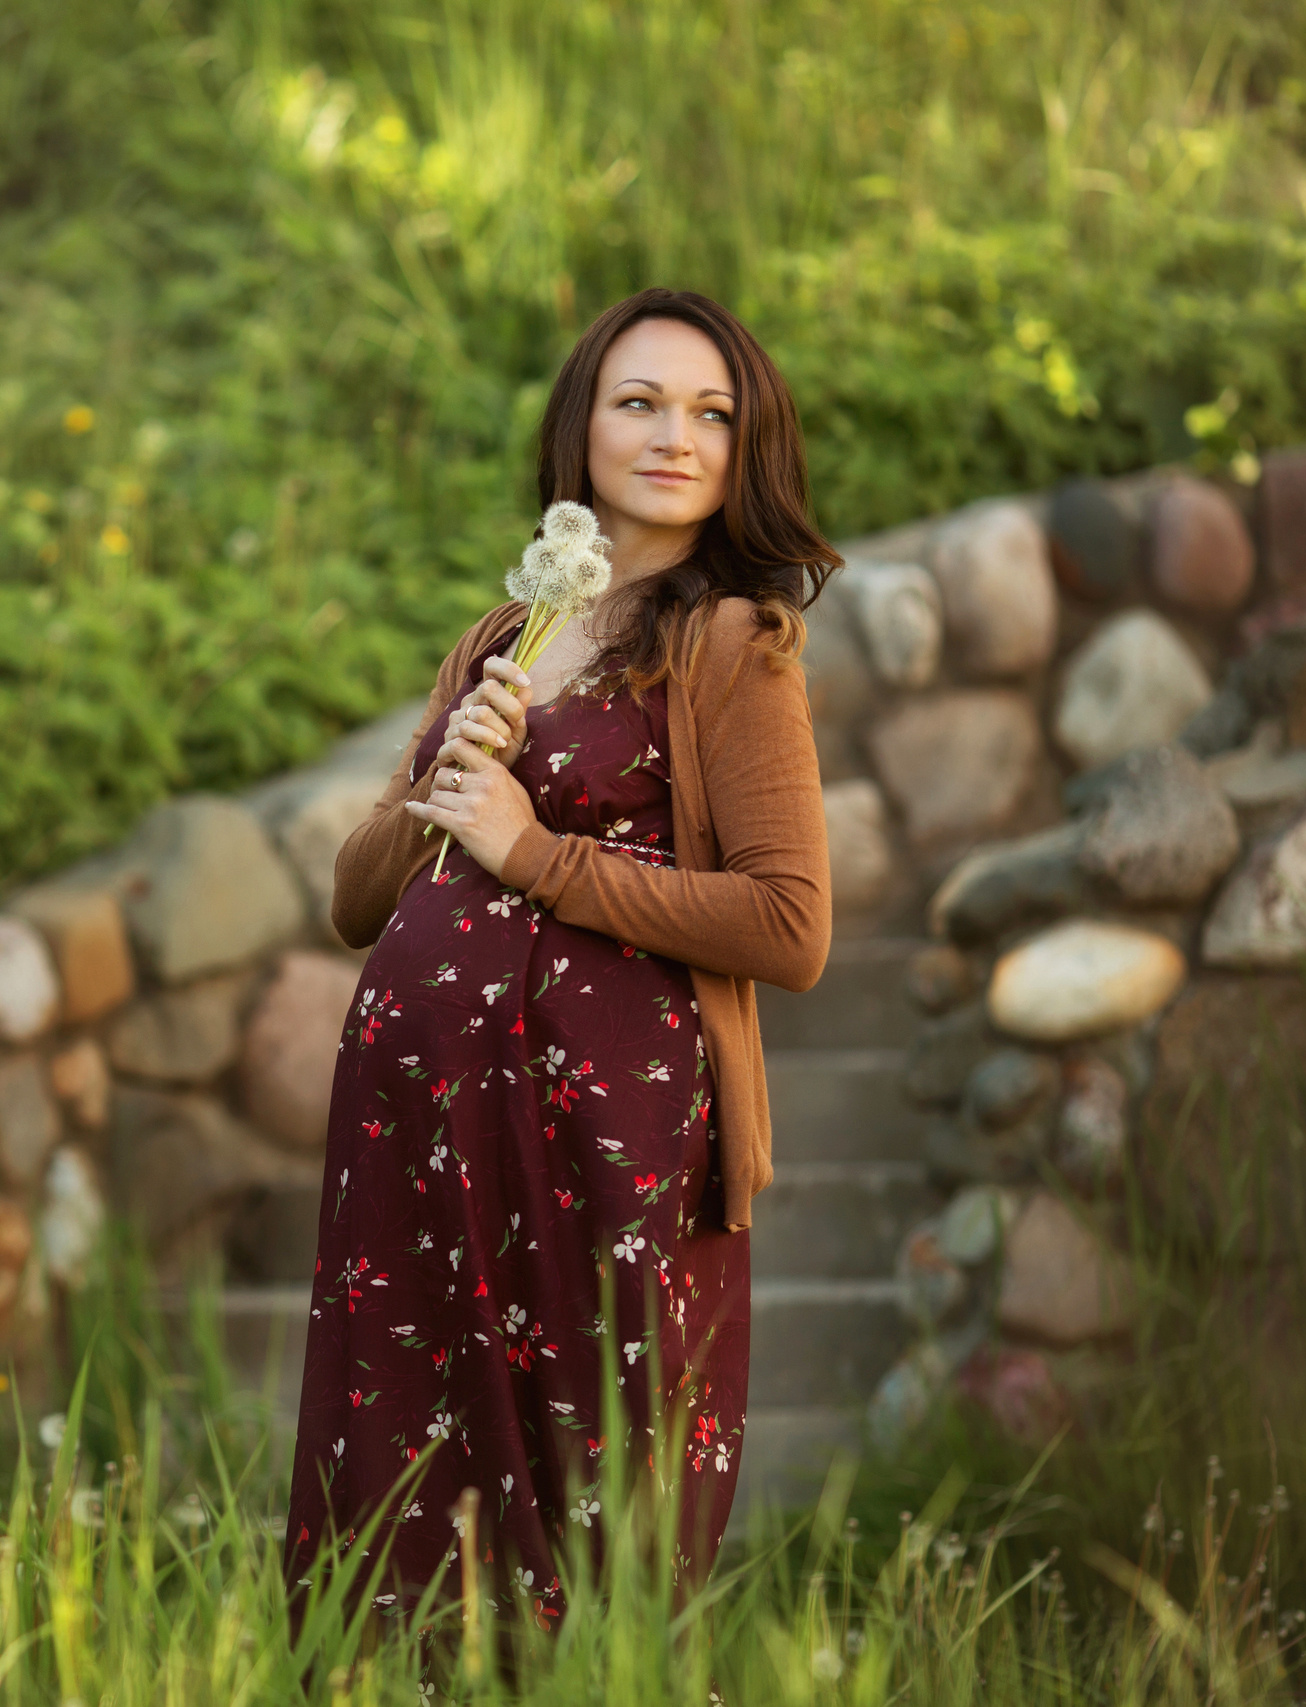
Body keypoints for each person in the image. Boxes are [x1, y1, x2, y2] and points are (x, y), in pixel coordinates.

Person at [283, 287, 839, 1630]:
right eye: (639, 401)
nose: (676, 435)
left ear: (745, 447)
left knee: (591, 1530)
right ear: (580, 428)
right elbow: (359, 902)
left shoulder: (731, 646)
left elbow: (790, 925)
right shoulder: (505, 635)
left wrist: (533, 856)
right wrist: (442, 776)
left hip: (605, 1145)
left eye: (713, 412)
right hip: (420, 1138)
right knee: (407, 1499)